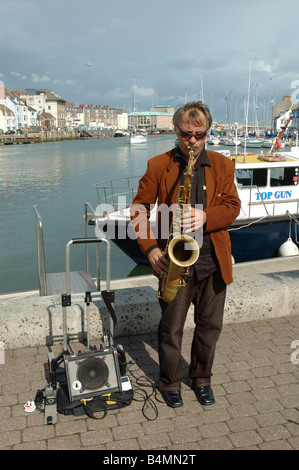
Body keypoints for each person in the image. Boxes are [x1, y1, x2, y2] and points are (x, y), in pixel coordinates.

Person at [130, 102, 241, 408]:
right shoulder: (157, 165)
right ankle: (169, 382)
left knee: (210, 328)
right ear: (175, 130)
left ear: (207, 133)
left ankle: (201, 379)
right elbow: (139, 210)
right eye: (185, 134)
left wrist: (205, 216)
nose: (192, 141)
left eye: (199, 134)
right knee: (170, 329)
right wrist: (151, 249)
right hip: (174, 263)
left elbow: (232, 207)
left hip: (211, 262)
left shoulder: (223, 165)